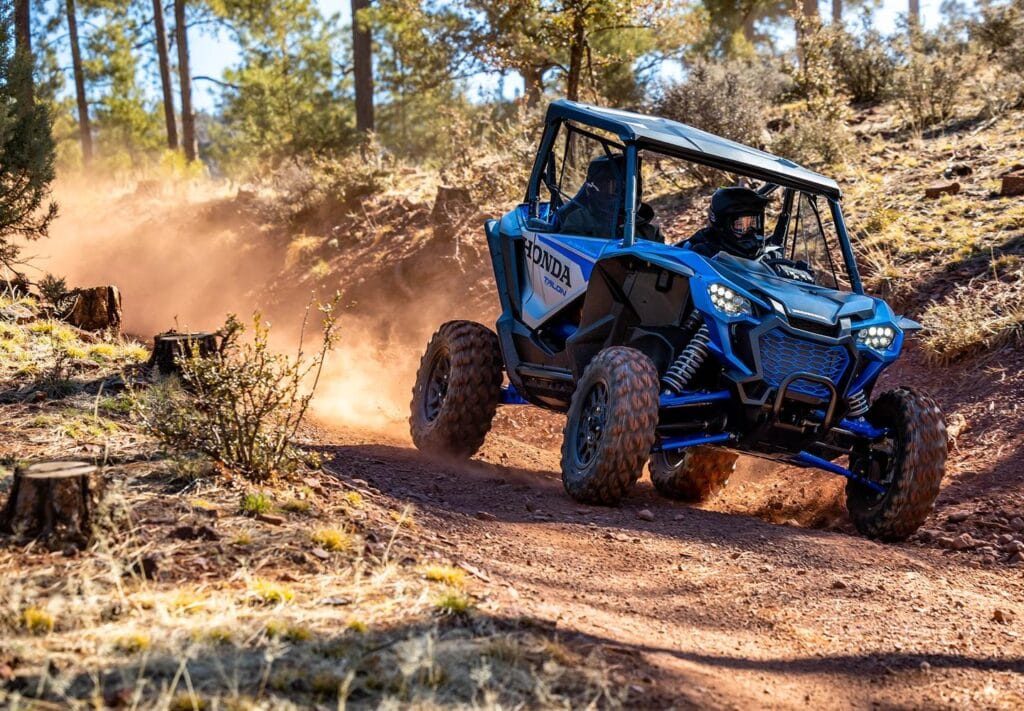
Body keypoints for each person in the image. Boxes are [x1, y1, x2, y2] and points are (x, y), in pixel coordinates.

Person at [555, 154, 662, 241]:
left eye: (630, 186)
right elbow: (571, 256)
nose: (624, 192)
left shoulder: (650, 233)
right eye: (614, 187)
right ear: (595, 189)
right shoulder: (580, 221)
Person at [682, 186, 769, 259]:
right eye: (740, 225)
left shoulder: (762, 253)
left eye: (752, 223)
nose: (750, 231)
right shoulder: (704, 254)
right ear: (722, 225)